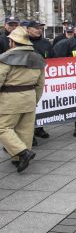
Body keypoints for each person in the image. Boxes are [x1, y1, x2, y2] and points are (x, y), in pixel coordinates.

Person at [0, 27, 45, 173]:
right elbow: (40, 83)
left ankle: (22, 152)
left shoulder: (5, 58)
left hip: (10, 99)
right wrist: (35, 99)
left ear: (12, 42)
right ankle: (18, 159)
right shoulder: (37, 57)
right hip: (30, 97)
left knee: (3, 128)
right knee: (25, 130)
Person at [26, 20, 53, 140]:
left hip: (43, 78)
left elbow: (53, 58)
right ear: (28, 29)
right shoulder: (23, 42)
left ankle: (39, 128)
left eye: (40, 28)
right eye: (36, 28)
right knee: (29, 107)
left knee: (41, 103)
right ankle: (28, 133)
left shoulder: (46, 43)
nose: (39, 30)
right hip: (27, 79)